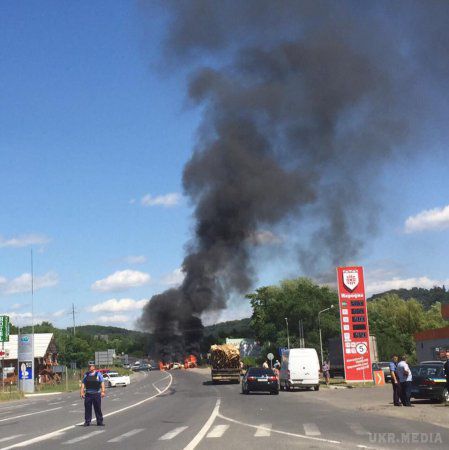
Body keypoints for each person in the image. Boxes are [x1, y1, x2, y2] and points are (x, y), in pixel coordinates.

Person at [80, 361, 106, 426]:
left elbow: (102, 383)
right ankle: (87, 421)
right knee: (87, 408)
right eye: (88, 366)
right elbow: (83, 383)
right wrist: (82, 392)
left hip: (96, 394)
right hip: (88, 394)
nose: (89, 367)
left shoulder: (98, 374)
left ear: (94, 367)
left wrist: (103, 391)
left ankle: (99, 421)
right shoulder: (86, 374)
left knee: (97, 408)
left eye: (90, 366)